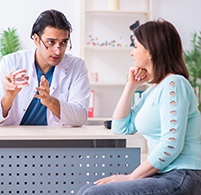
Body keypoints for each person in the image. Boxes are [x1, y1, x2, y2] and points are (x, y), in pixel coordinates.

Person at [77, 18, 201, 195]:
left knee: (94, 193)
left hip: (182, 176)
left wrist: (131, 177)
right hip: (163, 174)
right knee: (87, 189)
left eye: (135, 46)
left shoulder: (174, 84)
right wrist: (131, 85)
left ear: (151, 50)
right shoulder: (155, 89)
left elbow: (171, 145)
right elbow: (121, 128)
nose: (132, 52)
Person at [0, 9, 90, 126]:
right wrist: (8, 98)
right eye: (51, 42)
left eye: (63, 42)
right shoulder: (11, 62)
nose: (58, 50)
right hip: (16, 140)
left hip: (55, 141)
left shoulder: (77, 67)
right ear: (36, 39)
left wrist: (50, 101)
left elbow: (80, 117)